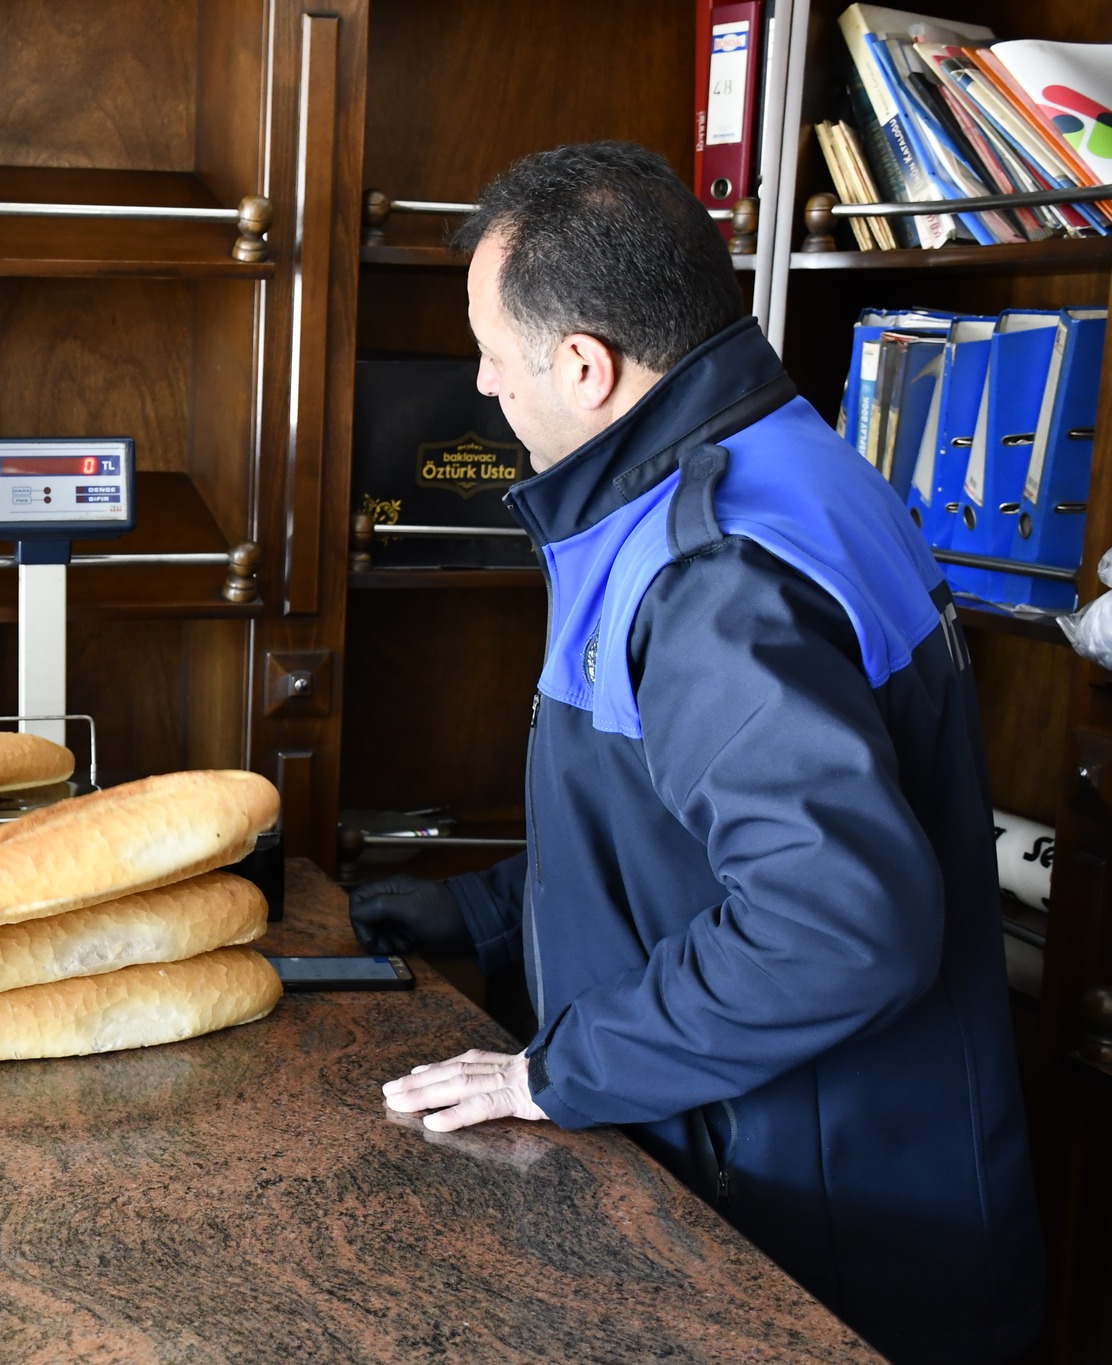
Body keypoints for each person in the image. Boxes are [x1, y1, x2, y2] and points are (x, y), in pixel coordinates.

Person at [352, 142, 1042, 1364]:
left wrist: (552, 1079)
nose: (482, 383)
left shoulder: (711, 569)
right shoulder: (784, 462)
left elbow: (833, 926)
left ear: (583, 367)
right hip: (861, 1180)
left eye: (494, 357)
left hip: (811, 1236)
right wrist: (486, 910)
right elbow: (689, 823)